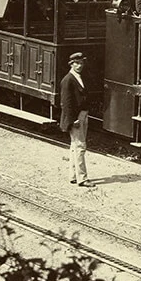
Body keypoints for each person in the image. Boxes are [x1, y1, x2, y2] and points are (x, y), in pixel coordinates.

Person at [59, 52, 91, 186]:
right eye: (77, 63)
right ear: (71, 64)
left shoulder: (77, 77)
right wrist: (73, 120)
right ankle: (82, 179)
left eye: (81, 63)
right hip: (76, 117)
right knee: (80, 147)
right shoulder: (68, 80)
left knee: (75, 146)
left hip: (82, 114)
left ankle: (73, 176)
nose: (79, 66)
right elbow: (66, 103)